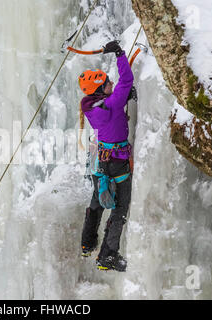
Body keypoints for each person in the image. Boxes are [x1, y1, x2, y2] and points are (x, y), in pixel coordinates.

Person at [79, 40, 134, 272]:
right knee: (119, 208)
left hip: (100, 162)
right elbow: (127, 80)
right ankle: (107, 255)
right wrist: (120, 54)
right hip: (118, 164)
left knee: (98, 200)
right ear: (101, 89)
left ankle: (87, 243)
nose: (111, 82)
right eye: (107, 82)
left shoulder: (91, 108)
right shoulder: (113, 103)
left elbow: (119, 87)